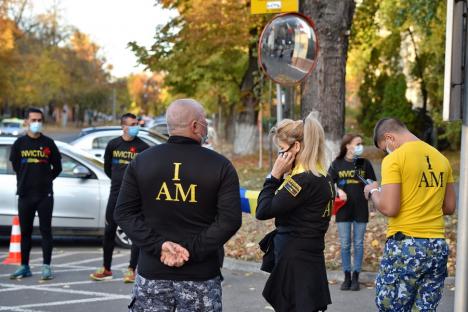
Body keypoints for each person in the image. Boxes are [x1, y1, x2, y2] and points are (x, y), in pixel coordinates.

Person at [114, 99, 241, 311]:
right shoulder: (220, 166)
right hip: (201, 277)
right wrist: (191, 251)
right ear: (194, 126)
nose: (206, 127)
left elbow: (123, 213)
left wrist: (159, 246)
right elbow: (229, 220)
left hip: (152, 275)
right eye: (204, 122)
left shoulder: (142, 161)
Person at [364, 118, 456, 311]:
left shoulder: (395, 159)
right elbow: (449, 207)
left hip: (406, 246)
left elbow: (390, 208)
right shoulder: (441, 158)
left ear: (389, 137)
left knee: (391, 306)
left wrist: (373, 191)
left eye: (384, 148)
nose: (386, 152)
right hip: (436, 246)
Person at [256, 114, 334, 312]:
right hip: (310, 255)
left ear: (296, 147)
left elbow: (263, 210)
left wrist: (273, 176)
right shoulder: (323, 175)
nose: (280, 156)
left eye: (282, 150)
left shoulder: (301, 180)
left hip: (295, 259)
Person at [90, 113, 149, 283]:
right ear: (123, 126)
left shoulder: (143, 148)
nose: (135, 126)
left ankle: (132, 269)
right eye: (132, 124)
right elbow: (108, 169)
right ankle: (106, 268)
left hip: (136, 197)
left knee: (136, 232)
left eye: (137, 123)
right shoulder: (113, 145)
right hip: (115, 194)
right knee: (109, 231)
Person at [9, 108, 62, 280]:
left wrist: (46, 180)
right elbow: (16, 166)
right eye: (33, 120)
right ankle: (24, 266)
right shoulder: (19, 144)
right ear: (26, 122)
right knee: (26, 233)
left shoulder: (49, 143)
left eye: (39, 120)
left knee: (46, 231)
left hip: (44, 195)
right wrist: (27, 180)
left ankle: (46, 266)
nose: (36, 123)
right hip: (25, 194)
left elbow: (58, 167)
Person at [328, 134, 376, 291]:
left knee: (358, 243)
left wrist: (372, 193)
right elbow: (328, 183)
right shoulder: (337, 164)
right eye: (357, 143)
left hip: (361, 209)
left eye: (361, 144)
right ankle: (346, 276)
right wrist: (338, 190)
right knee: (345, 244)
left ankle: (356, 276)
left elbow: (374, 182)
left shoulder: (364, 163)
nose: (360, 146)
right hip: (343, 210)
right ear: (347, 145)